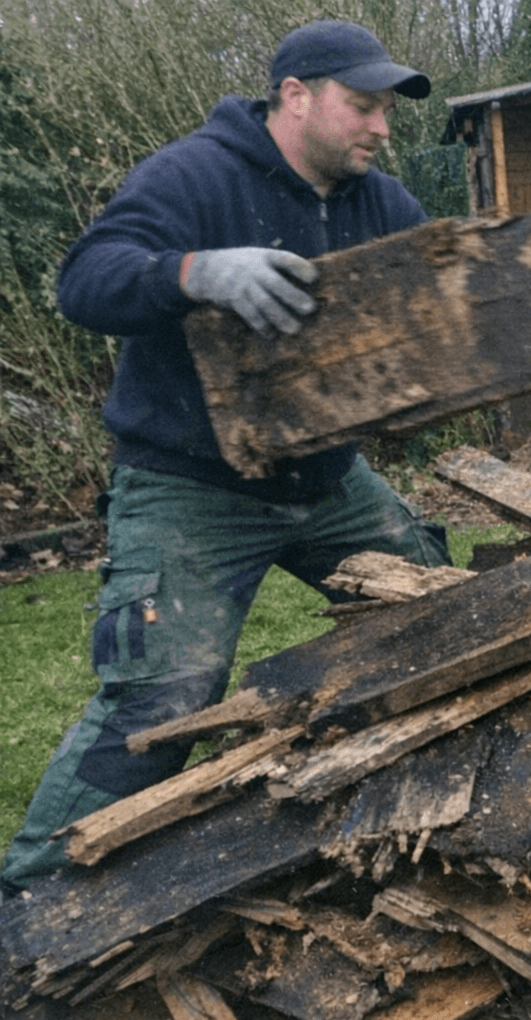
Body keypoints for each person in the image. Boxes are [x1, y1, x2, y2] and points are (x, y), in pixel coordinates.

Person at [0, 20, 451, 897]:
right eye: (362, 106)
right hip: (192, 486)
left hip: (328, 478)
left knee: (442, 617)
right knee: (162, 699)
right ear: (294, 97)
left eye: (386, 111)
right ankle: (31, 902)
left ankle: (406, 821)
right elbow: (85, 279)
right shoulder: (192, 175)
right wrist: (195, 273)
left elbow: (430, 311)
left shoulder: (381, 202)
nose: (381, 129)